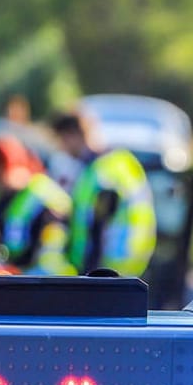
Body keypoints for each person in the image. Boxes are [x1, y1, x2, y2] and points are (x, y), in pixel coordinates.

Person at [50, 110, 157, 278]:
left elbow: (98, 227)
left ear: (72, 135)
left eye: (61, 140)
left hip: (106, 272)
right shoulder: (121, 162)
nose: (62, 149)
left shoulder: (100, 173)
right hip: (128, 268)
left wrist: (90, 277)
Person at [0, 135, 74, 276]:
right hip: (23, 280)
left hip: (51, 280)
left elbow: (50, 252)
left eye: (1, 169)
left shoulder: (43, 196)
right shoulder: (1, 198)